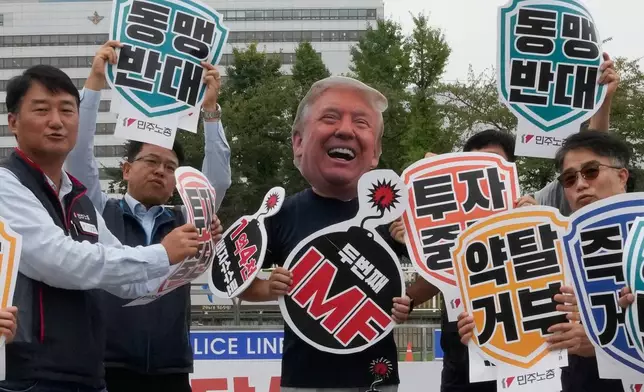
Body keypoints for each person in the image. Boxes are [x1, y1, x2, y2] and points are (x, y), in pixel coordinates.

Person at [392, 53, 619, 392]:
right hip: (462, 346)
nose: (481, 174)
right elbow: (438, 280)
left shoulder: (529, 208)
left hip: (522, 352)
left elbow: (587, 168)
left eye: (494, 165)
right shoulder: (441, 216)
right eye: (473, 163)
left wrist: (602, 101)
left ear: (509, 171)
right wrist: (411, 268)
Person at [0, 65, 202, 391]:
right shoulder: (6, 186)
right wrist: (163, 253)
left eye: (67, 110)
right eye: (41, 109)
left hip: (89, 375)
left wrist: (193, 256)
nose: (56, 120)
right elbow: (60, 261)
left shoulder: (79, 198)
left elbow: (129, 281)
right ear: (14, 122)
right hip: (32, 377)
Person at [64, 40, 230, 392]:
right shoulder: (98, 211)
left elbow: (217, 181)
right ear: (126, 169)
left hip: (172, 369)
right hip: (107, 366)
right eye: (151, 162)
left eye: (170, 167)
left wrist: (211, 110)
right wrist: (95, 82)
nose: (160, 171)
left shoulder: (188, 220)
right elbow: (78, 157)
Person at [238, 76, 412, 392]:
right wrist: (269, 288)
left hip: (376, 377)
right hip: (304, 378)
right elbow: (237, 280)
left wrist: (406, 302)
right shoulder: (281, 214)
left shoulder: (392, 216)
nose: (345, 130)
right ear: (298, 141)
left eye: (362, 123)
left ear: (376, 152)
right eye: (330, 118)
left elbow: (436, 271)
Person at [457, 131, 632, 392]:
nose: (580, 185)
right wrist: (480, 330)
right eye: (570, 179)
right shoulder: (549, 249)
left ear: (622, 176)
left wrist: (604, 344)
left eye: (591, 171)